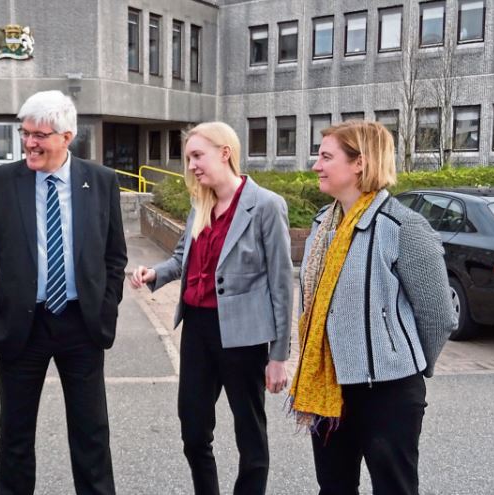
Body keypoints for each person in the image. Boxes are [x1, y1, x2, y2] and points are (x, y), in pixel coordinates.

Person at [0, 90, 127, 495]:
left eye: (40, 134)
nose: (30, 142)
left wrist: (105, 307)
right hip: (20, 325)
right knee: (16, 436)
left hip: (81, 324)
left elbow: (114, 256)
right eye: (25, 133)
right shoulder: (1, 181)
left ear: (67, 136)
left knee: (91, 434)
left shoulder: (101, 181)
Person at [289, 120, 457, 495]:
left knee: (394, 488)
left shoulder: (402, 226)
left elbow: (438, 314)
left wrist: (405, 362)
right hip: (329, 385)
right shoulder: (322, 224)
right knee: (333, 488)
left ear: (359, 163)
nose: (317, 165)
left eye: (326, 156)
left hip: (389, 392)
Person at [130, 121, 293, 495]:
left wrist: (278, 355)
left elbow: (282, 286)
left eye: (197, 156)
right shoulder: (199, 203)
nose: (191, 166)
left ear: (225, 153)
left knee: (249, 431)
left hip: (244, 335)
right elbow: (182, 259)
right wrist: (154, 272)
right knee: (193, 429)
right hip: (198, 329)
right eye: (188, 158)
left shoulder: (266, 205)